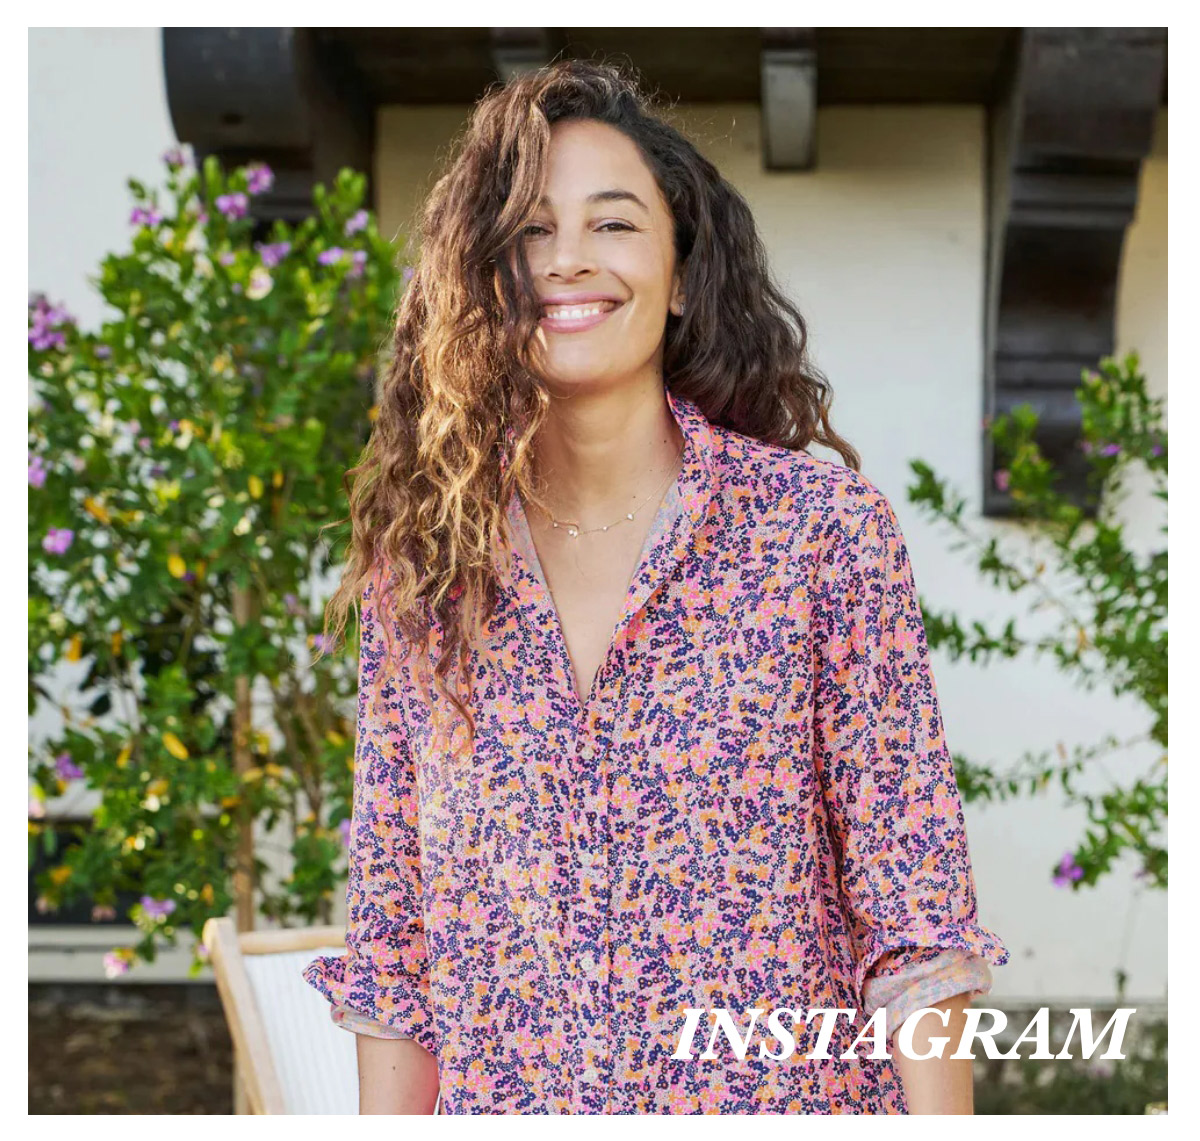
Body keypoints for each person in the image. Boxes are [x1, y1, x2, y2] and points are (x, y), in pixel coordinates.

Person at [303, 58, 1008, 1115]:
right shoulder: (428, 569)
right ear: (483, 272)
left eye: (615, 224)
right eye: (531, 228)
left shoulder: (818, 535)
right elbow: (397, 956)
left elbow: (917, 920)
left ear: (681, 275)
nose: (568, 260)